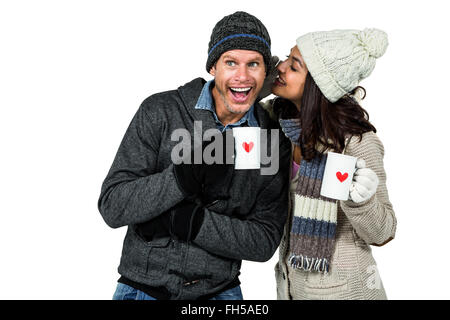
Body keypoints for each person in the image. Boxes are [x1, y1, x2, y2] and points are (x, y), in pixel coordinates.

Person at [97, 11, 290, 300]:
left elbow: (263, 240)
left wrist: (190, 222)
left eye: (253, 64)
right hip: (142, 288)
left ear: (265, 73)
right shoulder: (160, 111)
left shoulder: (271, 140)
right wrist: (180, 179)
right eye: (230, 62)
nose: (242, 75)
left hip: (219, 292)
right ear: (213, 66)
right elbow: (113, 206)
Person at [263, 28, 397, 299]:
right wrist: (254, 87)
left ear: (318, 84)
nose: (281, 66)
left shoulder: (357, 142)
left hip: (346, 291)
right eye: (288, 57)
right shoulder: (280, 127)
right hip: (290, 287)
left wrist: (362, 201)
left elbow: (383, 232)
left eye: (294, 66)